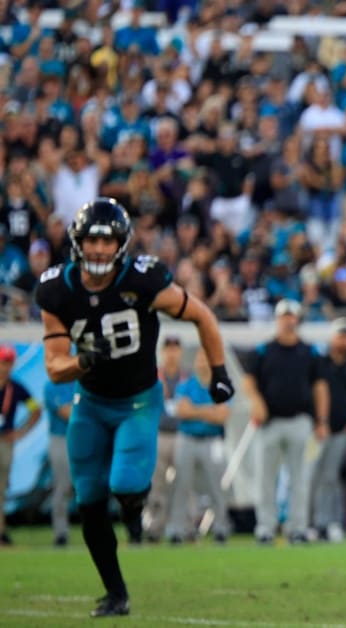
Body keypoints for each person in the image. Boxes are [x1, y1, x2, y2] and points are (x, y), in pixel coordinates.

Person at [35, 198, 235, 617]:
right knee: (88, 500)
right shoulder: (57, 289)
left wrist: (219, 371)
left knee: (126, 484)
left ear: (121, 245)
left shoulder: (143, 280)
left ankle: (132, 512)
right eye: (92, 241)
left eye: (108, 243)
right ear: (78, 243)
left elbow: (203, 316)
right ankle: (116, 592)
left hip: (138, 401)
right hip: (89, 403)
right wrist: (85, 361)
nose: (99, 251)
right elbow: (55, 369)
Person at [243, 298, 330, 545]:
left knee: (299, 479)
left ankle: (297, 527)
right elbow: (249, 381)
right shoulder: (263, 350)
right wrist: (256, 402)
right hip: (270, 422)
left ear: (297, 320)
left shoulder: (309, 352)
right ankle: (266, 527)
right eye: (284, 316)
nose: (288, 321)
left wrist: (321, 420)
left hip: (300, 421)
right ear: (278, 320)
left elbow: (320, 387)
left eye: (292, 316)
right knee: (265, 479)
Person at [165, 350, 232, 544]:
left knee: (216, 486)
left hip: (212, 440)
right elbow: (181, 411)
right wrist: (208, 411)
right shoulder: (186, 385)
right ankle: (178, 529)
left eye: (206, 358)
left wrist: (195, 411)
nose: (202, 362)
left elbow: (222, 415)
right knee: (181, 485)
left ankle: (221, 528)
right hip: (188, 438)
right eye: (200, 358)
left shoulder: (221, 385)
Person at [312, 318, 346, 543]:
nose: (343, 340)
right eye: (340, 336)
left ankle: (329, 522)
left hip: (339, 431)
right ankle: (310, 523)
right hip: (315, 431)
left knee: (331, 478)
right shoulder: (319, 363)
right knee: (311, 477)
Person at [144, 335, 186, 543]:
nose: (172, 354)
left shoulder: (186, 378)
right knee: (157, 484)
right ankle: (155, 527)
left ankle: (179, 528)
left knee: (181, 484)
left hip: (181, 434)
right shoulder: (154, 377)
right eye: (168, 349)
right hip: (159, 433)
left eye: (175, 349)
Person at [1, 344, 41, 547]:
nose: (5, 367)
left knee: (1, 488)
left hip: (5, 442)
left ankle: (1, 531)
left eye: (8, 363)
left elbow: (35, 409)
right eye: (2, 362)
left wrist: (22, 432)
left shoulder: (15, 387)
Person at [43, 379, 76, 546]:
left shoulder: (82, 382)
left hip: (85, 438)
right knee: (63, 485)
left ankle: (97, 531)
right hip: (61, 438)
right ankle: (61, 532)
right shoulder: (53, 384)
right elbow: (66, 411)